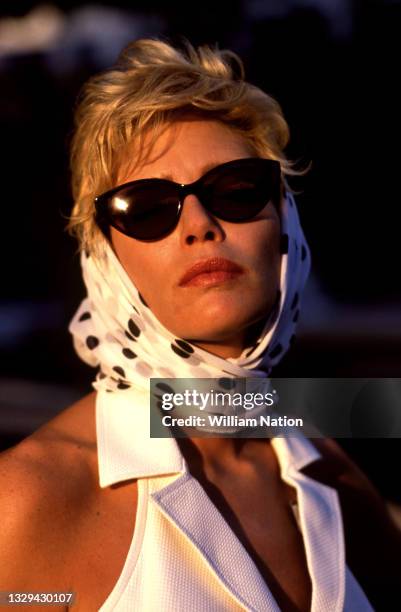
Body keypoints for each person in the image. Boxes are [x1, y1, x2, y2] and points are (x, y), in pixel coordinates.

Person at [0, 38, 400, 612]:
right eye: (148, 206)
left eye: (237, 190)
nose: (199, 224)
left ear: (285, 222)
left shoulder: (331, 474)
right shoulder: (28, 498)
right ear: (105, 258)